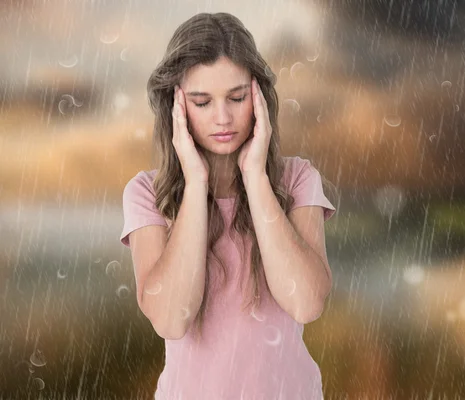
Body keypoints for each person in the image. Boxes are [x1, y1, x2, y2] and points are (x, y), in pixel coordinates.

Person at [119, 12, 337, 400]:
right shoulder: (146, 195)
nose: (223, 118)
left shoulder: (298, 180)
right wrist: (196, 181)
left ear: (259, 98)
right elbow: (171, 319)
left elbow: (306, 303)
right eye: (202, 102)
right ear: (176, 107)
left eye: (237, 98)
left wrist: (255, 178)